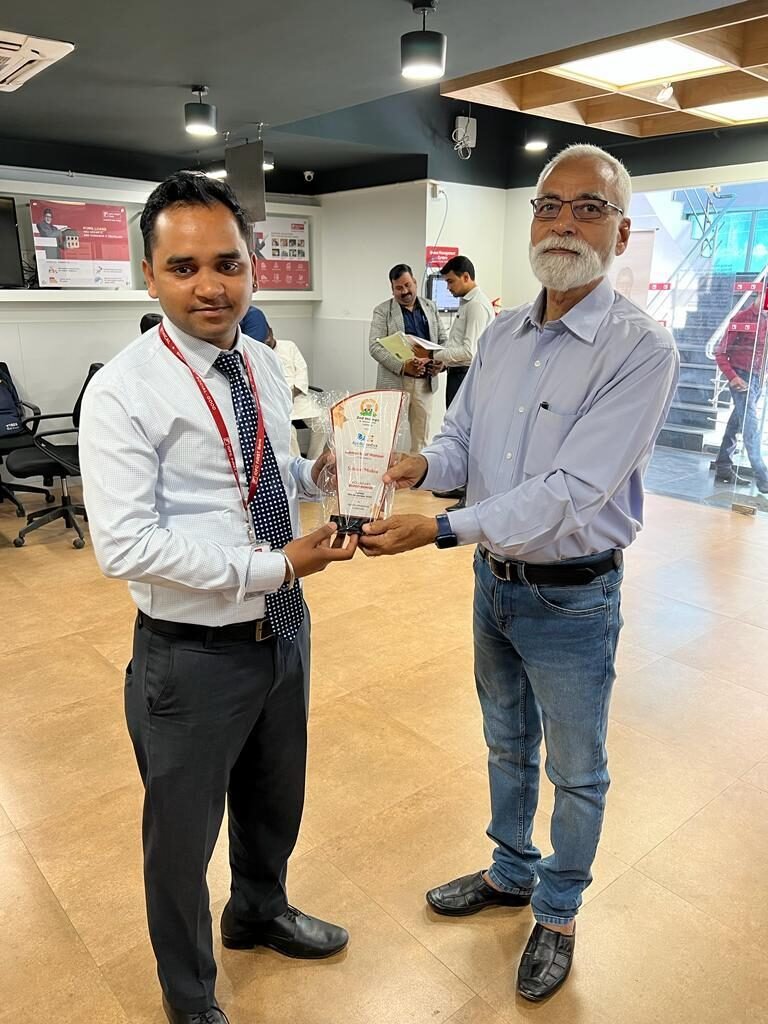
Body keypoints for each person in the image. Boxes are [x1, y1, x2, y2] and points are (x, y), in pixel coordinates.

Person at [360, 144, 679, 1003]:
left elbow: (571, 491)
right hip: (494, 584)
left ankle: (559, 910)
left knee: (577, 768)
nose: (563, 224)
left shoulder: (640, 349)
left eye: (588, 208)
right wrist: (419, 467)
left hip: (573, 598)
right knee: (505, 741)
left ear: (620, 233)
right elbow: (463, 442)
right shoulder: (501, 335)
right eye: (549, 206)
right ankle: (510, 871)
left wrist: (441, 527)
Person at [80, 171, 357, 1024]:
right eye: (185, 266)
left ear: (252, 268)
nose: (211, 286)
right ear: (150, 275)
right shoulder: (124, 390)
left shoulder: (261, 361)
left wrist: (317, 473)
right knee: (181, 839)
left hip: (283, 630)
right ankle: (190, 996)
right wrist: (278, 566)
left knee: (276, 796)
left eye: (228, 264)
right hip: (192, 654)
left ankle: (259, 911)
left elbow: (264, 467)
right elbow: (126, 545)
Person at [424, 255, 494, 510]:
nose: (448, 287)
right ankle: (460, 487)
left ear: (466, 277)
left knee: (468, 435)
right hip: (456, 373)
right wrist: (441, 363)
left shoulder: (476, 306)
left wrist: (433, 355)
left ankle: (469, 497)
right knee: (458, 430)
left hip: (467, 375)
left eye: (451, 282)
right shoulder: (466, 303)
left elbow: (468, 352)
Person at [369, 263, 447, 453]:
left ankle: (417, 472)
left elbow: (443, 340)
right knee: (386, 435)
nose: (404, 291)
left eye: (407, 285)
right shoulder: (383, 311)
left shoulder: (430, 307)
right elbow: (374, 346)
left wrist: (441, 363)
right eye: (399, 288)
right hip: (395, 380)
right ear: (392, 289)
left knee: (421, 438)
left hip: (425, 383)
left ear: (415, 282)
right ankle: (385, 470)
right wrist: (403, 366)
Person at [713, 293, 768, 492]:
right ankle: (764, 478)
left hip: (757, 379)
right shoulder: (742, 318)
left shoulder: (766, 320)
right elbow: (720, 352)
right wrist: (733, 377)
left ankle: (723, 466)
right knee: (750, 427)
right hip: (741, 377)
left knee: (736, 422)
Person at [264, 323, 325, 459]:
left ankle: (314, 461)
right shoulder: (259, 352)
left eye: (267, 337)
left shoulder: (289, 346)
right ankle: (296, 465)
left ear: (272, 332)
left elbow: (302, 370)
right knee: (288, 431)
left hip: (297, 396)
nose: (266, 341)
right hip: (276, 402)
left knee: (322, 423)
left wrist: (293, 392)